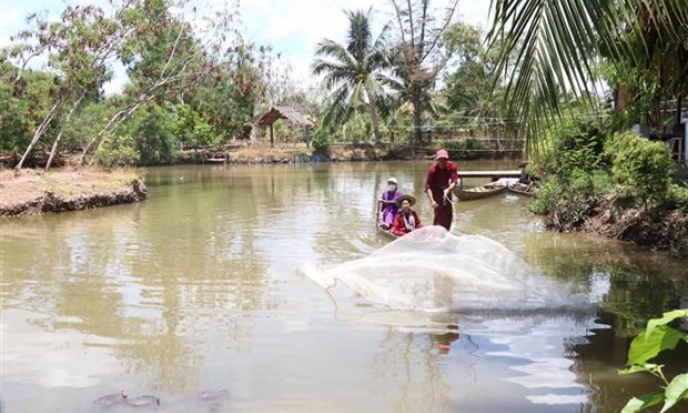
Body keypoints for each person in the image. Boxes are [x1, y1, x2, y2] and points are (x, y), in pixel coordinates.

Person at [425, 149, 458, 230]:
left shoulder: (452, 166)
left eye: (444, 160)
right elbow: (428, 187)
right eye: (440, 160)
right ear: (437, 160)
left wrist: (448, 189)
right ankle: (437, 234)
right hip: (436, 191)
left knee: (448, 213)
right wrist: (432, 200)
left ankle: (446, 232)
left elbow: (455, 181)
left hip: (447, 190)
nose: (443, 162)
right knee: (439, 214)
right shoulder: (432, 170)